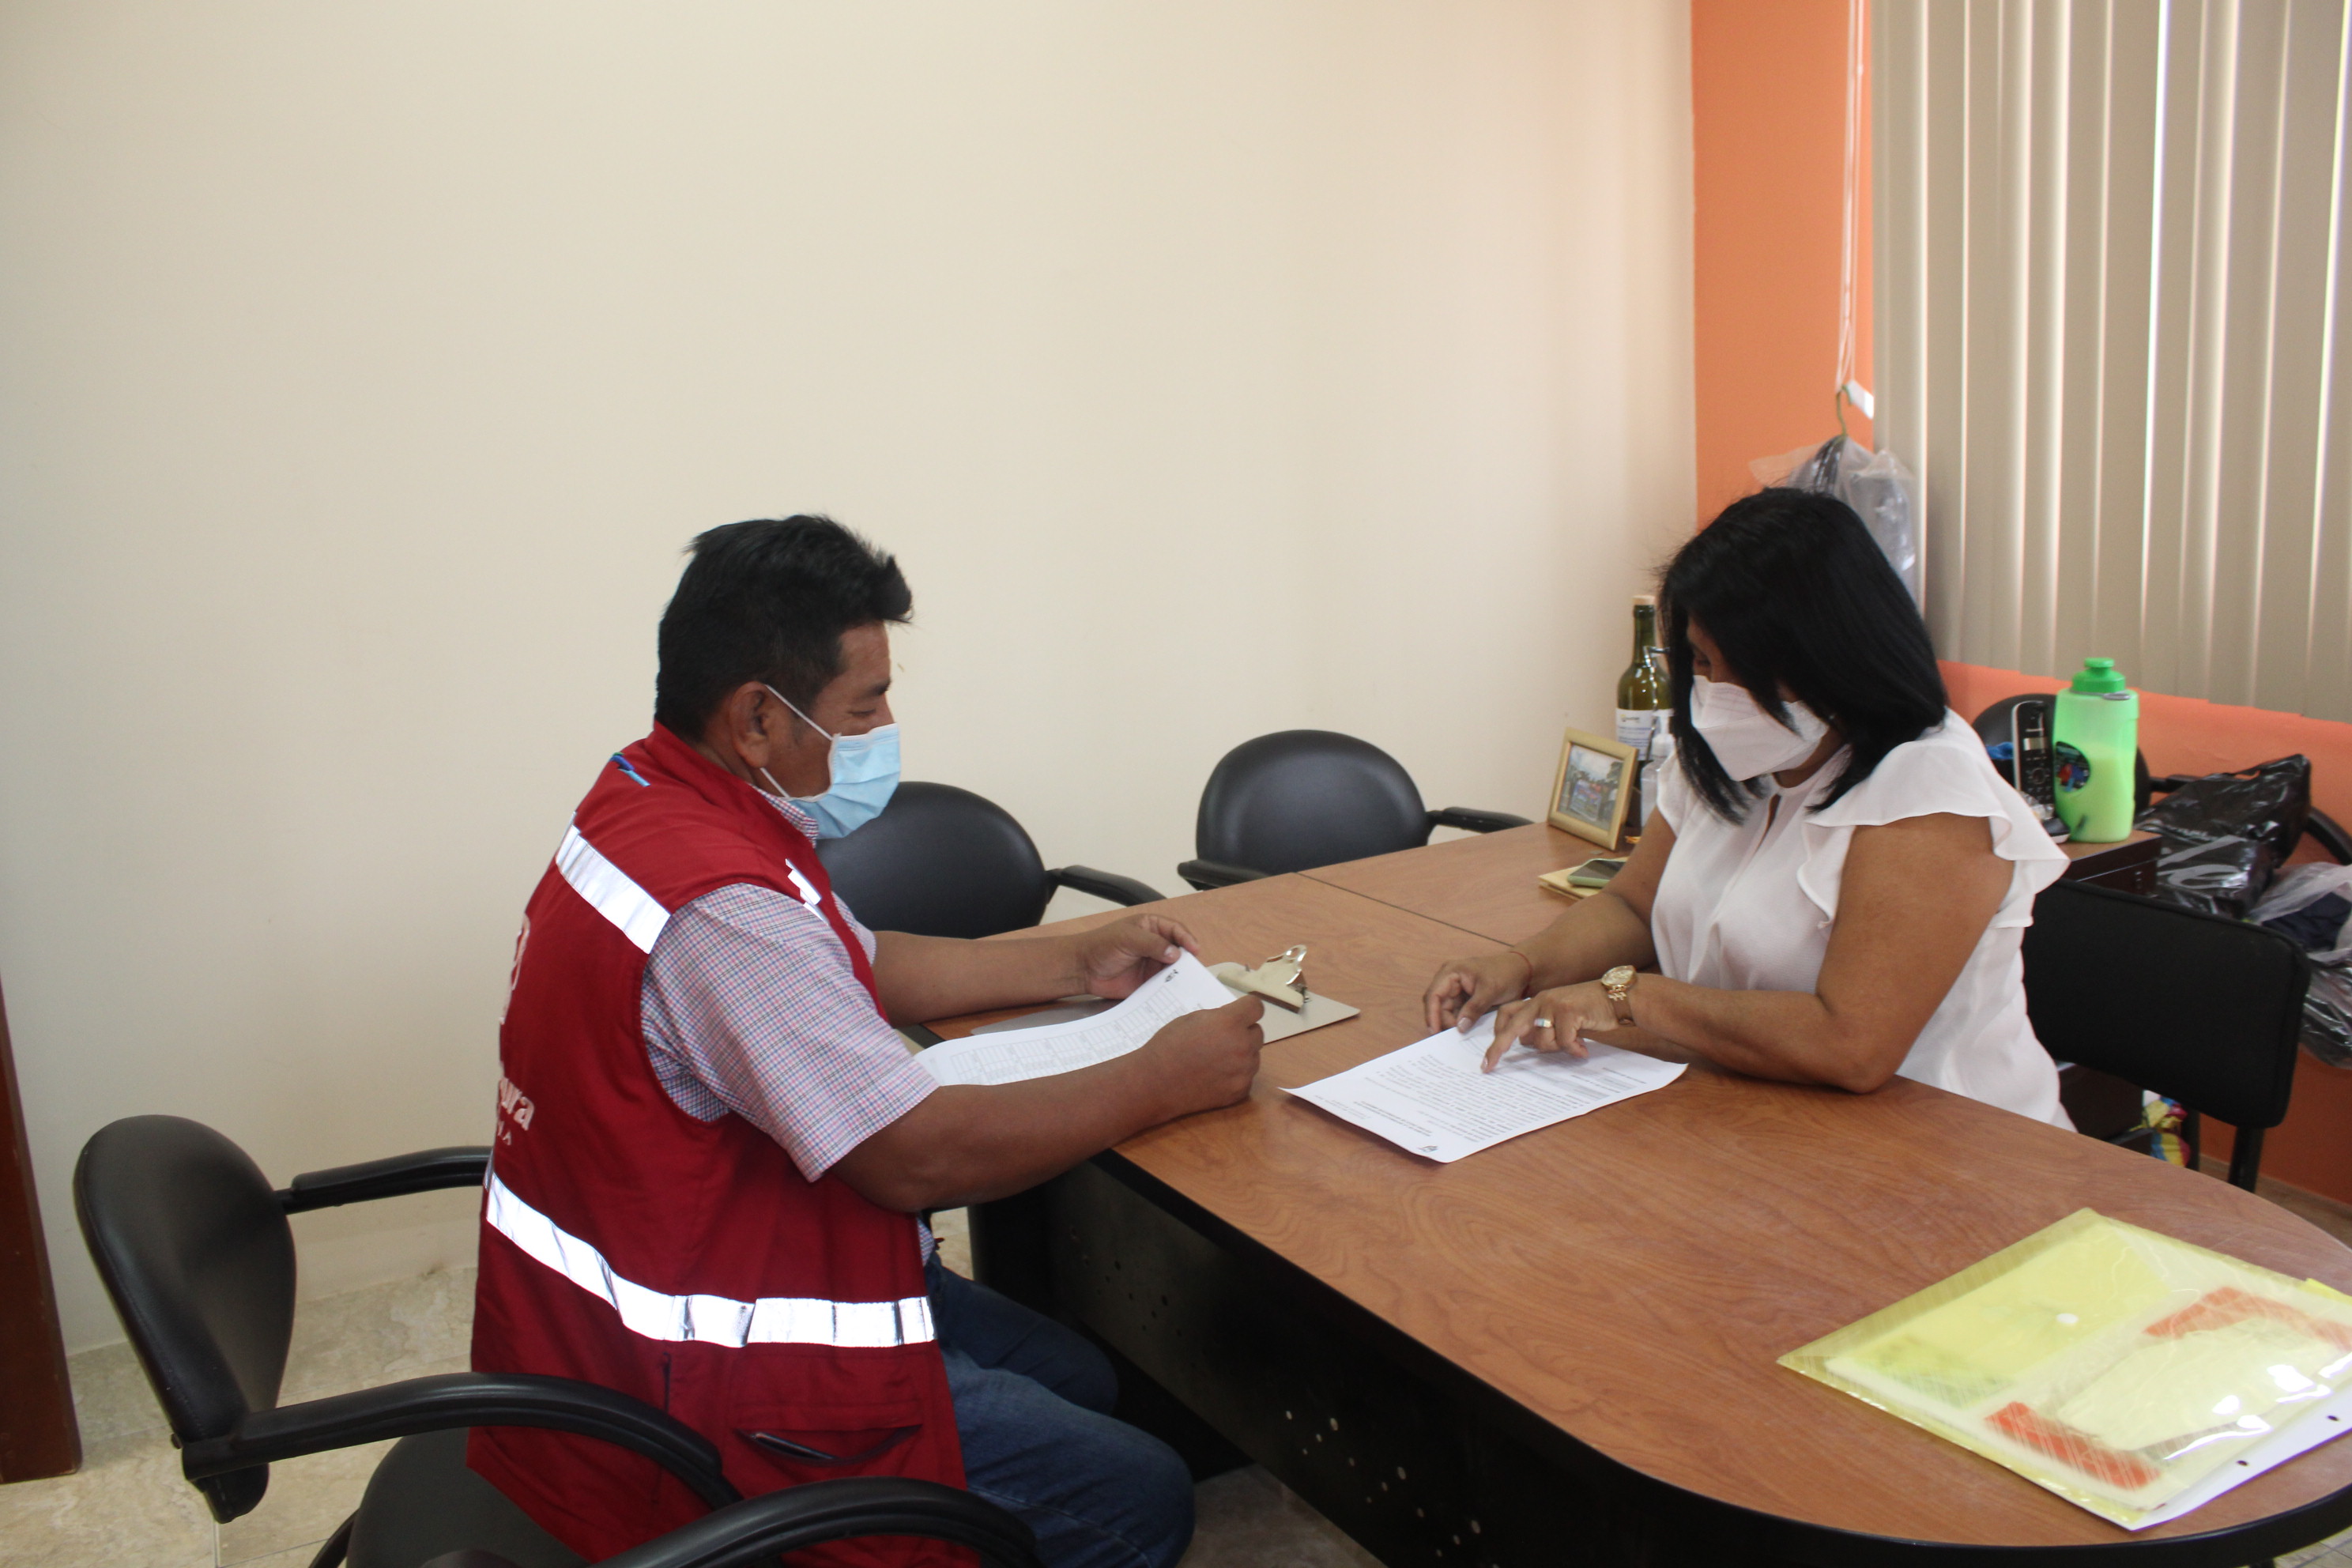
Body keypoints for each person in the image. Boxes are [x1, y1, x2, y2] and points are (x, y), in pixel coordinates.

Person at [470, 516, 1266, 1568]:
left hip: (654, 1297)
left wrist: (1077, 961)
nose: (886, 726)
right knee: (1137, 1496)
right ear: (759, 717)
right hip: (704, 1376)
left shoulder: (658, 795)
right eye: (864, 705)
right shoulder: (721, 911)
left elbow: (856, 958)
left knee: (1082, 1377)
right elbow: (914, 1157)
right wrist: (1166, 1075)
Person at [1424, 489, 2071, 1125]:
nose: (1717, 694)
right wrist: (1521, 967)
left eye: (1746, 669)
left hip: (1950, 1139)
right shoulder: (1730, 757)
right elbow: (1634, 907)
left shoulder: (1929, 790)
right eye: (1703, 662)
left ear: (1833, 657)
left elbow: (1852, 1044)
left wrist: (1629, 998)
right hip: (1758, 1106)